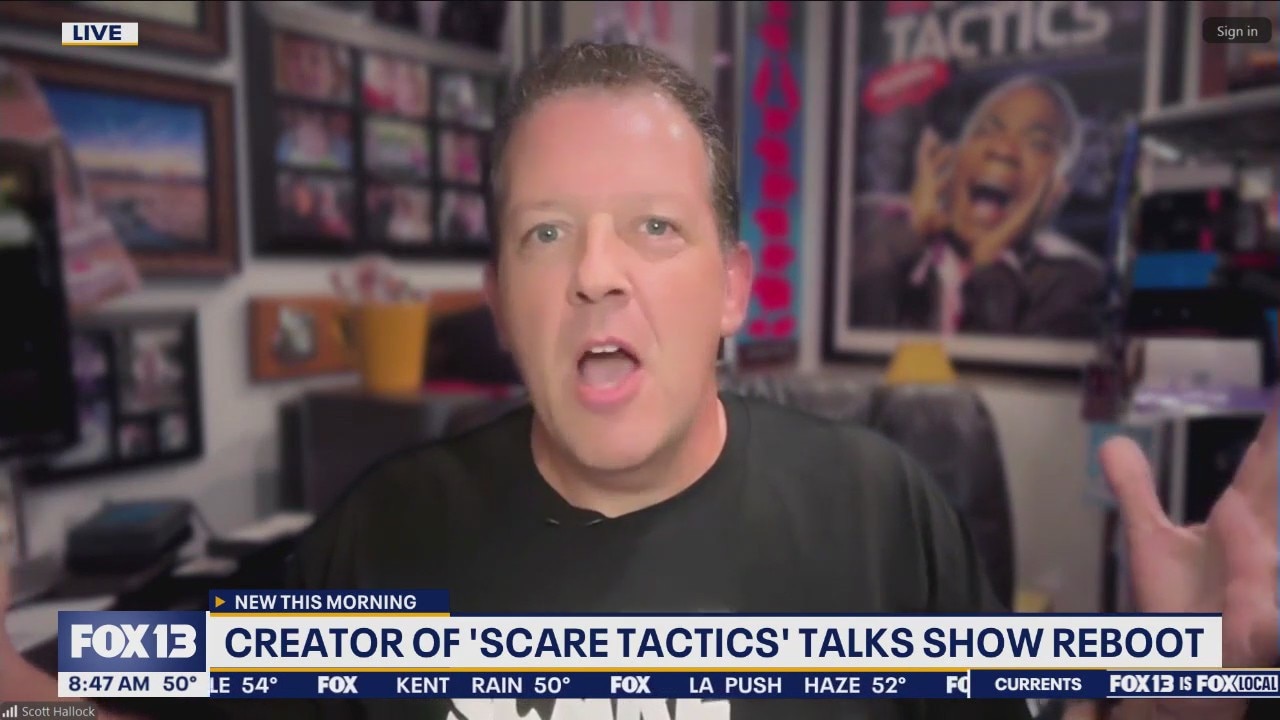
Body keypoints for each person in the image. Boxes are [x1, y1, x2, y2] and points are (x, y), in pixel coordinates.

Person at [1, 42, 1277, 720]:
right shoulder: (382, 531)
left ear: (731, 288)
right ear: (499, 299)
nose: (595, 275)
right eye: (546, 233)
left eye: (653, 229)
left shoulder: (884, 513)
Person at [850, 74, 1107, 337]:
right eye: (986, 131)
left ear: (1057, 191)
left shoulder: (1075, 284)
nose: (1003, 151)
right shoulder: (867, 225)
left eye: (1037, 143)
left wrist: (990, 267)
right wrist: (912, 232)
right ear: (955, 155)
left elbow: (1000, 362)